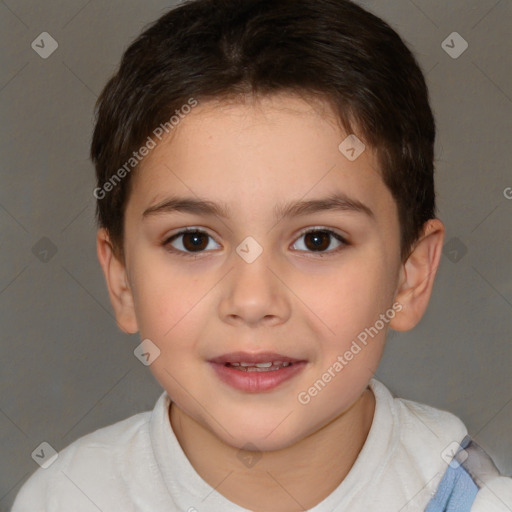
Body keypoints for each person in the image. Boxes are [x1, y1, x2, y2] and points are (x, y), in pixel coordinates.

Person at [11, 0, 512, 510]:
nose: (252, 301)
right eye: (194, 240)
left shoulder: (476, 502)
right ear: (121, 279)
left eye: (318, 239)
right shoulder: (66, 498)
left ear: (411, 275)